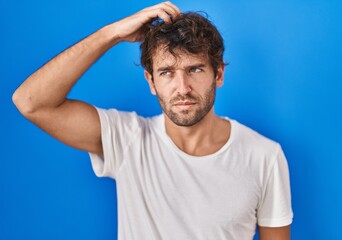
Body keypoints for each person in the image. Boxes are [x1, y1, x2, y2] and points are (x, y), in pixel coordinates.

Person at [12, 2, 293, 240]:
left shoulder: (264, 156)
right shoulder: (127, 139)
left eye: (194, 69)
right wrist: (112, 34)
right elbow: (31, 102)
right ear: (151, 81)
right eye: (167, 72)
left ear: (218, 74)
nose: (182, 88)